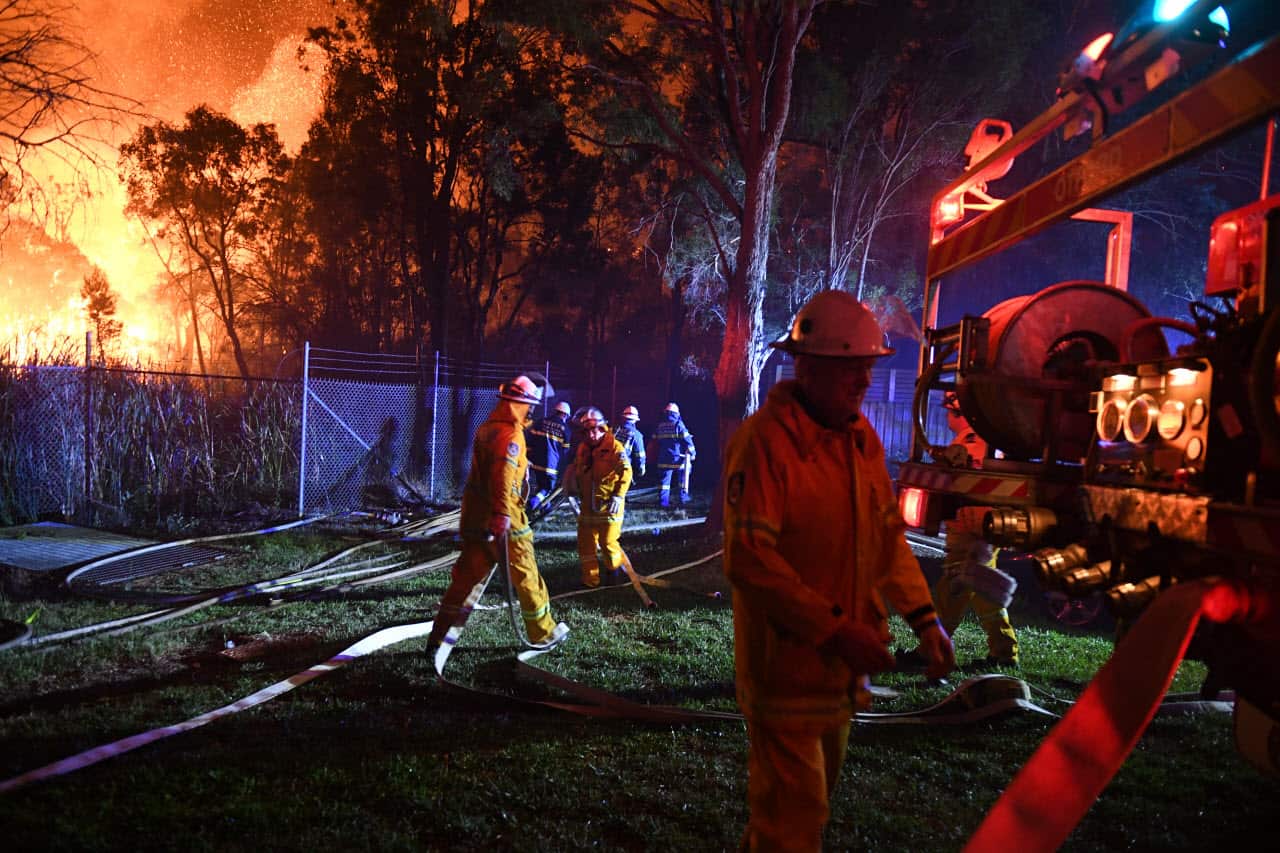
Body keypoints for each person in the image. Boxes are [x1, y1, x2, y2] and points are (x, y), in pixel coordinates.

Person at [722, 290, 955, 851]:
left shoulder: (859, 441)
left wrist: (926, 620)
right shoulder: (765, 444)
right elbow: (751, 561)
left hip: (839, 679)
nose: (864, 381)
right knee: (792, 823)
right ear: (809, 367)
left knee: (806, 816)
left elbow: (888, 541)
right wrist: (836, 629)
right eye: (850, 368)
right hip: (785, 676)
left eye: (867, 367)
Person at [425, 373, 568, 655]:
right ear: (523, 404)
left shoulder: (487, 428)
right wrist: (503, 513)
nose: (532, 411)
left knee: (464, 581)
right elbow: (502, 476)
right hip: (506, 521)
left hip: (477, 520)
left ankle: (437, 638)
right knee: (526, 576)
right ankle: (543, 634)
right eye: (531, 405)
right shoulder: (511, 435)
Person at [926, 392, 1019, 667]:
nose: (946, 416)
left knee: (954, 585)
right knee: (982, 588)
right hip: (978, 524)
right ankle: (1003, 652)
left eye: (948, 410)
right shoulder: (979, 438)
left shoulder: (974, 439)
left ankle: (932, 650)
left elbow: (971, 475)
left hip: (972, 523)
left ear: (959, 411)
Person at [564, 407, 634, 588]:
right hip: (587, 506)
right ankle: (590, 582)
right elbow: (577, 468)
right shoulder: (583, 449)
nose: (592, 435)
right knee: (586, 546)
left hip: (609, 506)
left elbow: (626, 472)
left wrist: (618, 497)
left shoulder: (614, 447)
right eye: (587, 431)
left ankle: (614, 573)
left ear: (603, 428)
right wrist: (570, 483)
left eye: (595, 430)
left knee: (608, 543)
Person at [527, 400, 572, 511]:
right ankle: (534, 502)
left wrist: (528, 457)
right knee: (548, 487)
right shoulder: (565, 429)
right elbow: (565, 451)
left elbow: (530, 441)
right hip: (551, 464)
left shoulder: (540, 422)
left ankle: (544, 507)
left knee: (541, 484)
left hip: (535, 462)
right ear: (565, 415)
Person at [649, 402, 695, 508]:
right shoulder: (678, 425)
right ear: (676, 413)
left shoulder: (660, 426)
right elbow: (688, 441)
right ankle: (683, 500)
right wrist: (693, 453)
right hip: (678, 458)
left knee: (664, 483)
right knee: (683, 479)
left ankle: (663, 502)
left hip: (663, 459)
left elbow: (654, 440)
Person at [613, 405, 647, 481]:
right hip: (623, 468)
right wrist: (641, 468)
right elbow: (640, 454)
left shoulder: (614, 430)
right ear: (634, 420)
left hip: (608, 466)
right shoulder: (636, 434)